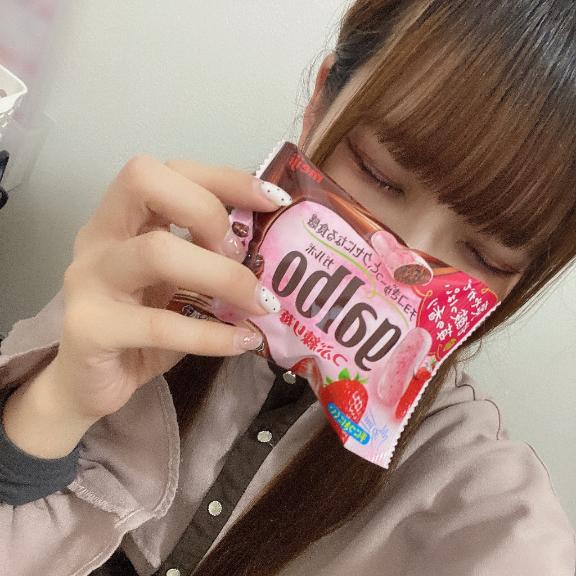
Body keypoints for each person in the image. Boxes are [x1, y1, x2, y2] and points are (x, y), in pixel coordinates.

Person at [1, 1, 575, 574]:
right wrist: (58, 403)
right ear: (321, 99)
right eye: (378, 175)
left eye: (485, 255)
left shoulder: (480, 495)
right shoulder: (157, 275)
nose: (399, 268)